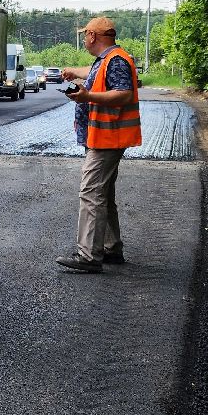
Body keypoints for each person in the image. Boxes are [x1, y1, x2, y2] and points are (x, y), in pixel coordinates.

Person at [56, 17, 142, 274]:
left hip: (108, 138)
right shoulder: (108, 59)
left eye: (85, 35)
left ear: (93, 36)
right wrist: (75, 72)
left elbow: (123, 93)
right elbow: (94, 73)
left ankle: (88, 256)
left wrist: (87, 95)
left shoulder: (115, 60)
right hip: (104, 137)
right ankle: (111, 248)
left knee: (91, 191)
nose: (84, 39)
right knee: (104, 193)